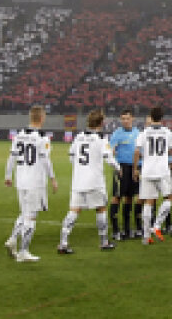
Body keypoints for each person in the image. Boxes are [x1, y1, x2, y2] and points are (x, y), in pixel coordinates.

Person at [58, 109, 118, 254]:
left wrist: (81, 168)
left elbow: (71, 156)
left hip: (78, 181)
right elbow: (108, 157)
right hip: (95, 181)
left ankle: (63, 243)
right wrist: (118, 168)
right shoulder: (101, 139)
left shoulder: (78, 137)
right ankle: (103, 242)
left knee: (74, 211)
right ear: (101, 123)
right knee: (101, 208)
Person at [4, 105, 57, 263]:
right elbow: (46, 160)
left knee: (24, 213)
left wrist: (8, 175)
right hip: (35, 181)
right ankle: (23, 252)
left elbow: (11, 157)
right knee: (31, 216)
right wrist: (52, 178)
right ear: (41, 118)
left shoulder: (19, 135)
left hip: (20, 180)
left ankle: (13, 239)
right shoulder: (42, 137)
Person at [134, 106, 172, 245]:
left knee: (148, 202)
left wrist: (135, 168)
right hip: (162, 170)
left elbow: (137, 152)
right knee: (168, 198)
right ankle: (156, 225)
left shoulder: (144, 132)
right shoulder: (168, 132)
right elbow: (170, 151)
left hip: (147, 171)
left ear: (151, 117)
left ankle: (146, 237)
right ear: (162, 118)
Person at [108, 110, 139, 241]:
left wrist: (137, 168)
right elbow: (110, 151)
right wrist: (115, 161)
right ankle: (115, 230)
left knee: (129, 197)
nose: (125, 121)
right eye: (123, 118)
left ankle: (127, 229)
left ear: (132, 119)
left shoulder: (138, 133)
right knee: (117, 197)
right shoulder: (117, 133)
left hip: (134, 168)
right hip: (121, 168)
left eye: (127, 118)